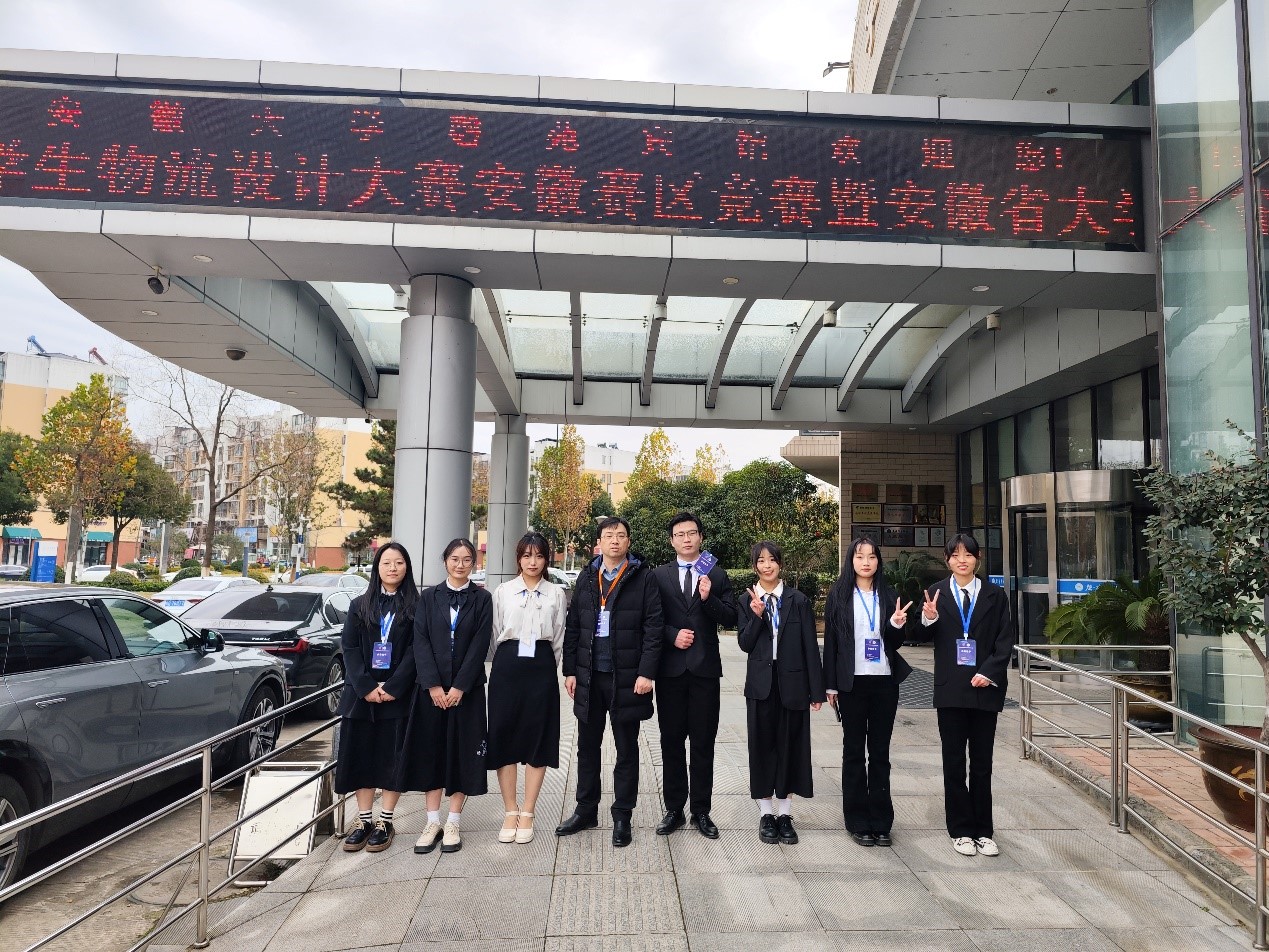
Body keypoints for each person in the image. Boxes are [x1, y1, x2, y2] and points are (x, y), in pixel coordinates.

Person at [556, 516, 663, 848]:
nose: (615, 540)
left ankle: (622, 816)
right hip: (589, 677)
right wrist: (570, 671)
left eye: (620, 535)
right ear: (598, 543)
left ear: (628, 541)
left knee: (626, 749)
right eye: (608, 535)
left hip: (627, 678)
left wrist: (647, 673)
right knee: (587, 748)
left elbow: (654, 628)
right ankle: (585, 810)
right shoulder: (587, 576)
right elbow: (574, 625)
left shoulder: (643, 577)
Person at [920, 532, 1015, 858]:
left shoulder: (995, 595)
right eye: (956, 555)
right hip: (951, 690)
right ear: (947, 560)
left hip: (984, 688)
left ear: (978, 558)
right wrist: (928, 617)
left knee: (982, 764)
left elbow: (1005, 641)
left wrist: (989, 672)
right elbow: (918, 634)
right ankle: (960, 830)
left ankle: (983, 831)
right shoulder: (935, 593)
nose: (962, 560)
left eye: (968, 554)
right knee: (954, 762)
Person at [398, 538, 492, 855]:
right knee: (431, 752)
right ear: (445, 561)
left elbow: (480, 645)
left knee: (462, 752)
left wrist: (460, 687)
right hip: (432, 692)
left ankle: (453, 821)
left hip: (467, 691)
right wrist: (434, 686)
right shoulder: (428, 597)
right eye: (455, 559)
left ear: (474, 564)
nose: (460, 564)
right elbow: (420, 641)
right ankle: (432, 821)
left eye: (467, 559)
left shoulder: (482, 599)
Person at [651, 511, 736, 840]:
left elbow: (730, 617)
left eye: (691, 533)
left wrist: (707, 598)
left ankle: (701, 810)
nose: (686, 539)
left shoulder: (716, 573)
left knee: (703, 743)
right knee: (671, 742)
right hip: (670, 672)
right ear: (672, 540)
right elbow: (650, 619)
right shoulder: (658, 576)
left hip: (704, 671)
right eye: (680, 534)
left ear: (701, 536)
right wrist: (672, 635)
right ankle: (674, 808)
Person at [822, 537, 912, 848]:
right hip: (852, 684)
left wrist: (897, 625)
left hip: (884, 683)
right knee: (853, 752)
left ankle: (881, 821)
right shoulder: (839, 595)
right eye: (860, 556)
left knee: (880, 753)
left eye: (872, 556)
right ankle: (857, 820)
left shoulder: (889, 595)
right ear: (851, 561)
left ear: (878, 561)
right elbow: (831, 643)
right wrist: (830, 684)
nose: (866, 562)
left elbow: (895, 643)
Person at [737, 540, 825, 846]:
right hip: (760, 685)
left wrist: (817, 690)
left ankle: (785, 815)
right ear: (754, 566)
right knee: (762, 747)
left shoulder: (798, 600)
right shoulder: (746, 600)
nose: (767, 566)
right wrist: (757, 616)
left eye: (772, 560)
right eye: (761, 561)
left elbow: (810, 646)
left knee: (791, 747)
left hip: (793, 684)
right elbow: (745, 644)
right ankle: (766, 814)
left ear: (780, 564)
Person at [334, 541, 419, 854]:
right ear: (377, 567)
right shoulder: (360, 605)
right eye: (386, 563)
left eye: (399, 562)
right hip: (362, 695)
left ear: (407, 567)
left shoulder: (416, 605)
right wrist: (366, 686)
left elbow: (416, 650)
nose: (393, 568)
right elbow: (350, 647)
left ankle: (385, 820)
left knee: (392, 758)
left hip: (399, 696)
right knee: (362, 757)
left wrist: (393, 686)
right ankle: (364, 819)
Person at [487, 532, 567, 845]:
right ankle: (510, 809)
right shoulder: (503, 591)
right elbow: (496, 631)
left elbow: (558, 635)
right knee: (503, 734)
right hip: (507, 667)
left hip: (541, 668)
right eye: (526, 556)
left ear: (546, 559)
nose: (532, 562)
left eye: (539, 556)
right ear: (518, 559)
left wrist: (547, 666)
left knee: (539, 736)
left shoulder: (556, 593)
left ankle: (529, 811)